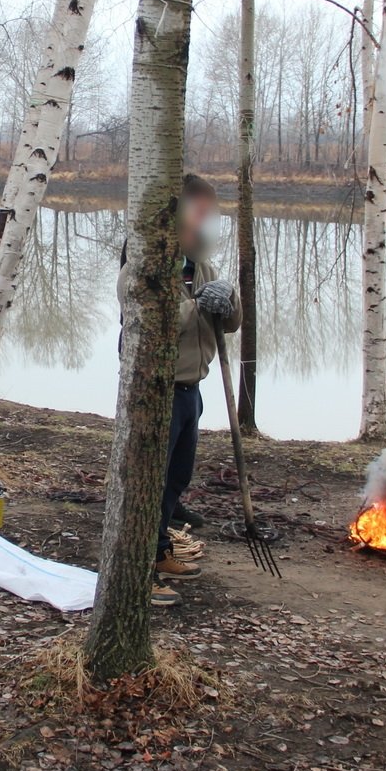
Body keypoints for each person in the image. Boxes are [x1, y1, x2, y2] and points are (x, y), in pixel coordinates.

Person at [117, 173, 241, 608]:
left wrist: (228, 297)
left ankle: (159, 552)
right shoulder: (144, 264)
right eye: (198, 215)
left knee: (176, 479)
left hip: (191, 390)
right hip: (157, 393)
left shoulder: (201, 264)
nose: (204, 225)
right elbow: (151, 322)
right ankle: (136, 572)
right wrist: (195, 307)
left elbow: (229, 322)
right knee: (147, 483)